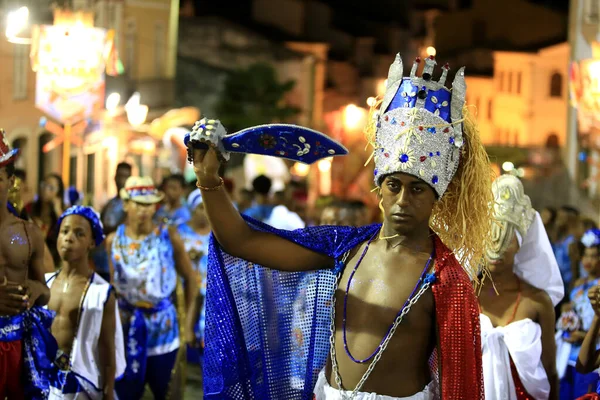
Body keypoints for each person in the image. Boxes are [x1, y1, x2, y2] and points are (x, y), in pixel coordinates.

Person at [189, 54, 494, 399]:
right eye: (394, 185)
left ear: (437, 195)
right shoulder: (344, 248)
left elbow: (463, 387)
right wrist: (209, 180)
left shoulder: (448, 279)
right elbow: (241, 241)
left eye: (418, 189)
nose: (403, 200)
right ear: (379, 187)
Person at [106, 176, 198, 400]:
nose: (144, 210)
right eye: (138, 204)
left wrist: (186, 326)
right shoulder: (113, 240)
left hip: (163, 330)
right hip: (127, 328)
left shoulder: (168, 235)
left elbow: (191, 279)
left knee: (167, 392)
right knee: (125, 393)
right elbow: (113, 286)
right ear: (126, 204)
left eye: (149, 204)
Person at [478, 174, 562, 399]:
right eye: (491, 238)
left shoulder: (537, 301)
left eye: (507, 239)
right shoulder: (463, 295)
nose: (497, 248)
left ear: (520, 245)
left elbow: (551, 371)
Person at [46, 206, 126, 399]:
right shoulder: (45, 283)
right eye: (64, 231)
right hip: (44, 381)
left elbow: (108, 349)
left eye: (79, 234)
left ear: (91, 242)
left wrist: (107, 393)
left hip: (82, 385)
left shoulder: (101, 293)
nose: (69, 238)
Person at [0, 129, 56, 399]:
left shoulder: (28, 233)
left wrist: (35, 290)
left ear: (10, 180)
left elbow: (46, 293)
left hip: (17, 346)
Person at [556, 228, 600, 398]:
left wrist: (582, 335)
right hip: (569, 355)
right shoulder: (578, 283)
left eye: (594, 256)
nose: (588, 260)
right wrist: (566, 309)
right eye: (586, 255)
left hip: (591, 353)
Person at [177, 189, 210, 354]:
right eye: (200, 208)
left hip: (209, 294)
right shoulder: (179, 232)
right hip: (185, 292)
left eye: (208, 207)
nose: (205, 213)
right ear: (192, 209)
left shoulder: (218, 233)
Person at [25, 173, 65, 266]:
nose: (45, 189)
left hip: (54, 261)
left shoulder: (62, 213)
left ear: (58, 192)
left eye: (51, 188)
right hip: (30, 259)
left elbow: (67, 229)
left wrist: (57, 210)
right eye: (44, 185)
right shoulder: (30, 207)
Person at [100, 162, 133, 235]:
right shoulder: (110, 203)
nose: (121, 180)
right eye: (119, 176)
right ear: (114, 178)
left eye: (125, 177)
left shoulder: (132, 204)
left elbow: (124, 226)